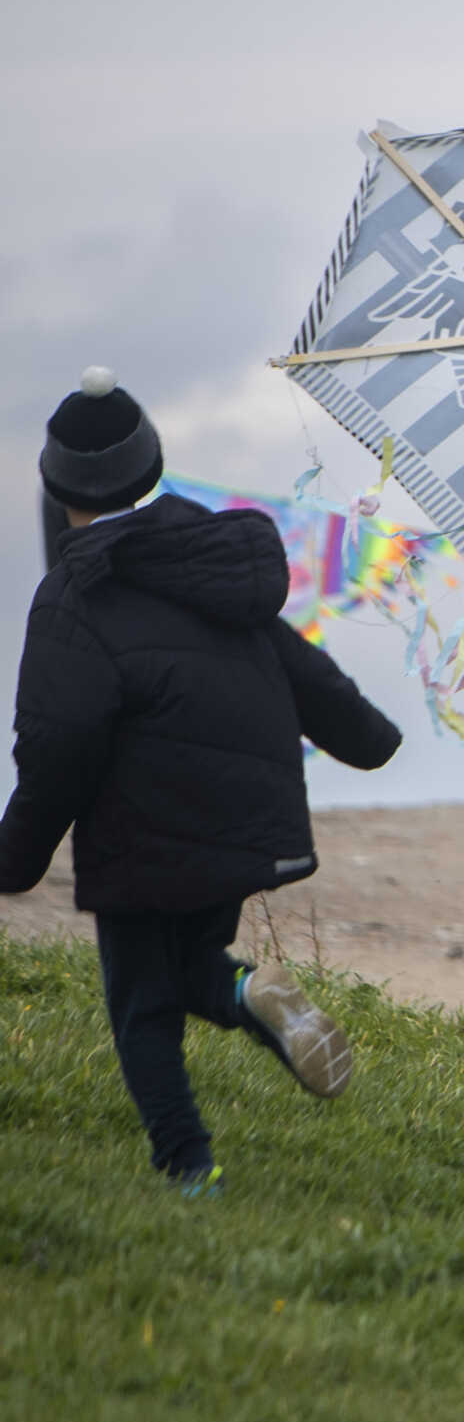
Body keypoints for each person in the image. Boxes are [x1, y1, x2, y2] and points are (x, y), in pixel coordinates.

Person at [0, 367, 403, 1193]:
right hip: (241, 821)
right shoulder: (213, 560)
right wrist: (370, 739)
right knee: (188, 967)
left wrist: (16, 855)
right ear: (151, 471)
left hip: (143, 828)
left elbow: (59, 741)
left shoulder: (73, 597)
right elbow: (304, 672)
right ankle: (251, 989)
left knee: (142, 1002)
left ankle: (188, 1167)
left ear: (54, 488)